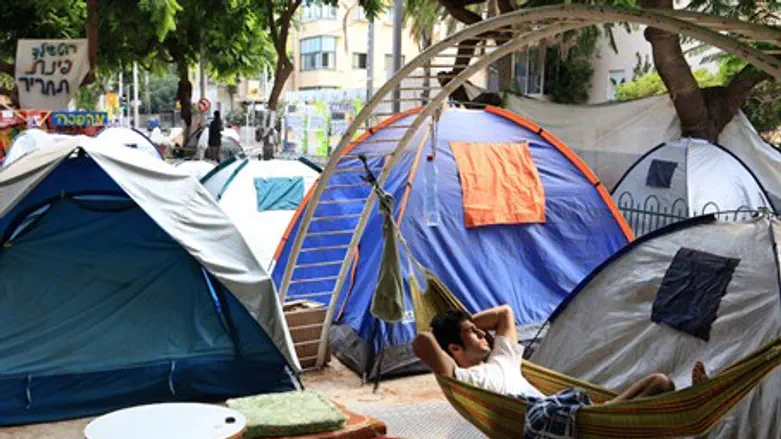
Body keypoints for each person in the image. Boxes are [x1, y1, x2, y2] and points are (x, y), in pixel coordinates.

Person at [413, 306, 709, 403]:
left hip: (568, 411)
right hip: (564, 422)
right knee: (658, 384)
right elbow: (424, 343)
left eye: (480, 331)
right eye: (473, 334)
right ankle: (694, 401)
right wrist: (452, 330)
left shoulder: (502, 356)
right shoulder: (466, 377)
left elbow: (505, 312)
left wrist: (466, 325)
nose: (482, 334)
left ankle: (687, 403)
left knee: (662, 385)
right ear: (453, 349)